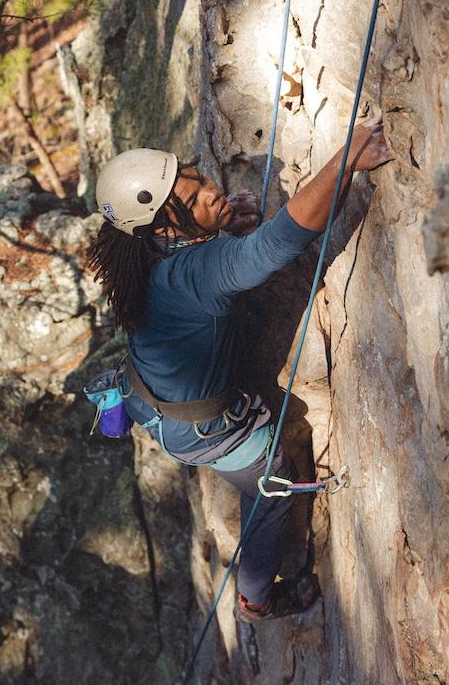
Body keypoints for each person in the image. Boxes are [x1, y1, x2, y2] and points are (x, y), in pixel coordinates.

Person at [86, 118, 389, 622]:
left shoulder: (152, 249)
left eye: (198, 177)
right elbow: (278, 244)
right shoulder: (191, 274)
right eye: (195, 193)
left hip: (152, 391)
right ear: (164, 223)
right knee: (272, 482)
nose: (210, 189)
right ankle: (255, 597)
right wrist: (347, 159)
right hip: (196, 428)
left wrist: (215, 227)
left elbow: (212, 266)